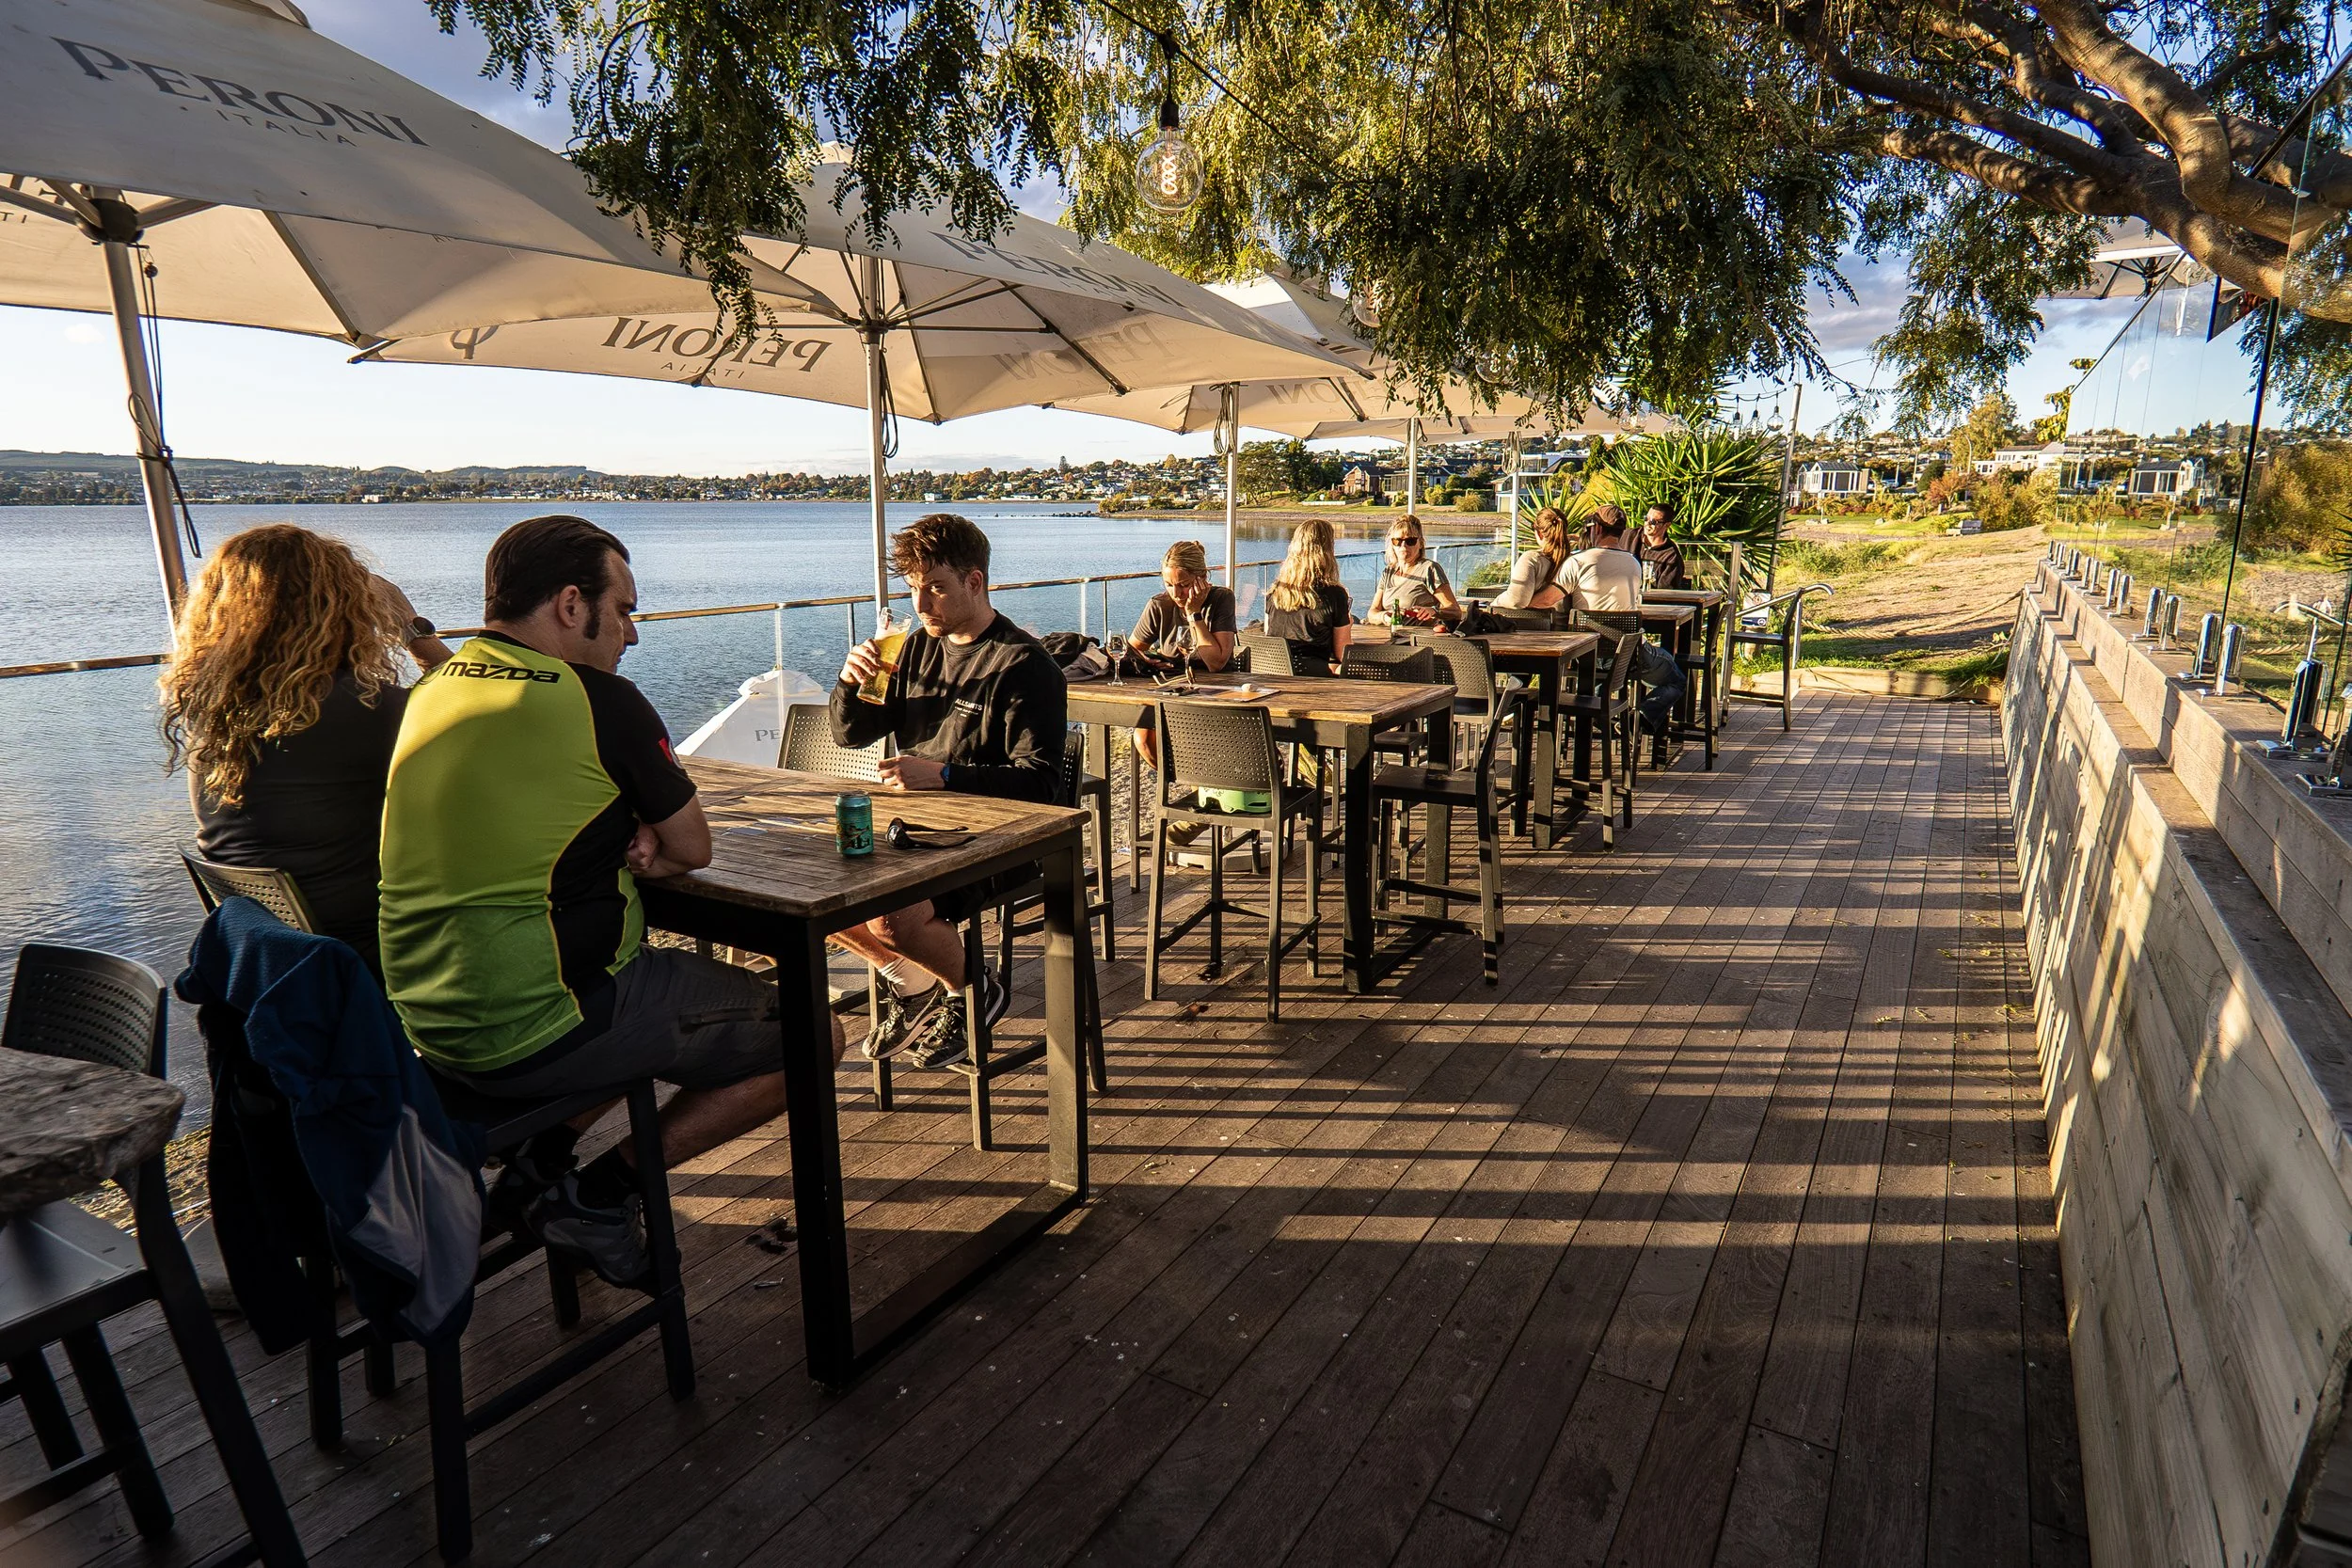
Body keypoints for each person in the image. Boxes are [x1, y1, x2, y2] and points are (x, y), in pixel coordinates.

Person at [378, 515, 834, 1286]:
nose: (631, 633)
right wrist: (643, 832)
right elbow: (693, 849)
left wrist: (616, 824)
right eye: (622, 610)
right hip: (542, 1023)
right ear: (568, 605)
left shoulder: (434, 687)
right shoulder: (600, 701)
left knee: (659, 1012)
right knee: (812, 1035)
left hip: (428, 1027)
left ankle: (538, 1166)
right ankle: (599, 1193)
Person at [831, 514, 1068, 1069]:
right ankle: (914, 987)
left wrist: (944, 776)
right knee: (818, 893)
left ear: (975, 582)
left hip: (997, 838)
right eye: (913, 588)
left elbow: (1042, 784)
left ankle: (972, 988)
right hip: (913, 827)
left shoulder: (1025, 665)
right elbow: (850, 734)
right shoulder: (912, 650)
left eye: (935, 587)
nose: (921, 603)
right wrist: (849, 682)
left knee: (892, 915)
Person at [162, 523, 451, 973]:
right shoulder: (362, 710)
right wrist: (415, 632)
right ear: (338, 610)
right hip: (365, 956)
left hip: (262, 957)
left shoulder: (211, 706)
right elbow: (479, 713)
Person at [1565, 506, 1686, 736]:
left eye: (1655, 521)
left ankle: (1603, 715)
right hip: (1625, 652)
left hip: (1586, 652)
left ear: (1597, 528)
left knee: (1605, 668)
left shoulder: (1577, 562)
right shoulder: (1632, 561)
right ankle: (1635, 718)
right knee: (1676, 679)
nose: (1649, 524)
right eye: (1647, 519)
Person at [1128, 539, 1236, 673]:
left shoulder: (1221, 598)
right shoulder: (1159, 605)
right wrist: (1147, 662)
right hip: (1172, 684)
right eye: (1169, 585)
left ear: (1202, 577)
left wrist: (1193, 613)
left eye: (1184, 585)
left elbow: (1216, 664)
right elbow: (1131, 650)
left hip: (1221, 686)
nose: (1176, 594)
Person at [1263, 516, 1353, 670]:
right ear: (1328, 551)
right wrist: (1348, 626)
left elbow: (1268, 632)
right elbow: (1343, 653)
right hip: (1311, 675)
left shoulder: (1276, 590)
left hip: (1274, 671)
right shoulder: (1334, 594)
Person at [1366, 514, 1462, 626]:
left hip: (1417, 638)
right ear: (1392, 544)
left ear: (1420, 544)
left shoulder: (1429, 569)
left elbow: (1455, 611)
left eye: (1410, 541)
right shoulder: (1388, 571)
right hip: (1386, 635)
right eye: (1397, 541)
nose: (1403, 546)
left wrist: (1433, 611)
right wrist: (1383, 617)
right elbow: (1372, 612)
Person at [1491, 505, 1575, 610]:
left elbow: (1516, 601)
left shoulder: (1532, 559)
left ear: (1539, 533)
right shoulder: (1575, 562)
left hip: (1530, 625)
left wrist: (1495, 602)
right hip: (1565, 625)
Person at [1637, 502, 1690, 590]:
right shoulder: (1630, 536)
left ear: (1667, 525)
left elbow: (1666, 593)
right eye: (1646, 518)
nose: (1647, 524)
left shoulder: (1671, 557)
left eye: (1653, 522)